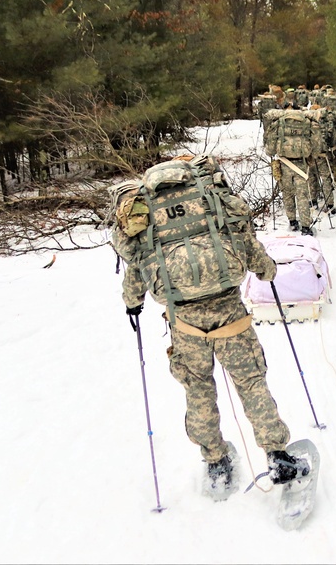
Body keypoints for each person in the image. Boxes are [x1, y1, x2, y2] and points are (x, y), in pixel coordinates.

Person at [114, 156, 309, 494]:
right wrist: (267, 270)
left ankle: (216, 461)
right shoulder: (208, 197)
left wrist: (133, 303)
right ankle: (277, 455)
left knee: (198, 388)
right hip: (229, 312)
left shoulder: (143, 211)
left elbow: (136, 265)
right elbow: (244, 239)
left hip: (184, 321)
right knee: (250, 383)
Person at [264, 95, 320, 235]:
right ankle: (306, 227)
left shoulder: (278, 122)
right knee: (302, 195)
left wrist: (271, 153)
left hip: (284, 163)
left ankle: (292, 221)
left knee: (288, 194)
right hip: (301, 163)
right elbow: (316, 143)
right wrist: (312, 157)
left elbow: (270, 146)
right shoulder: (307, 121)